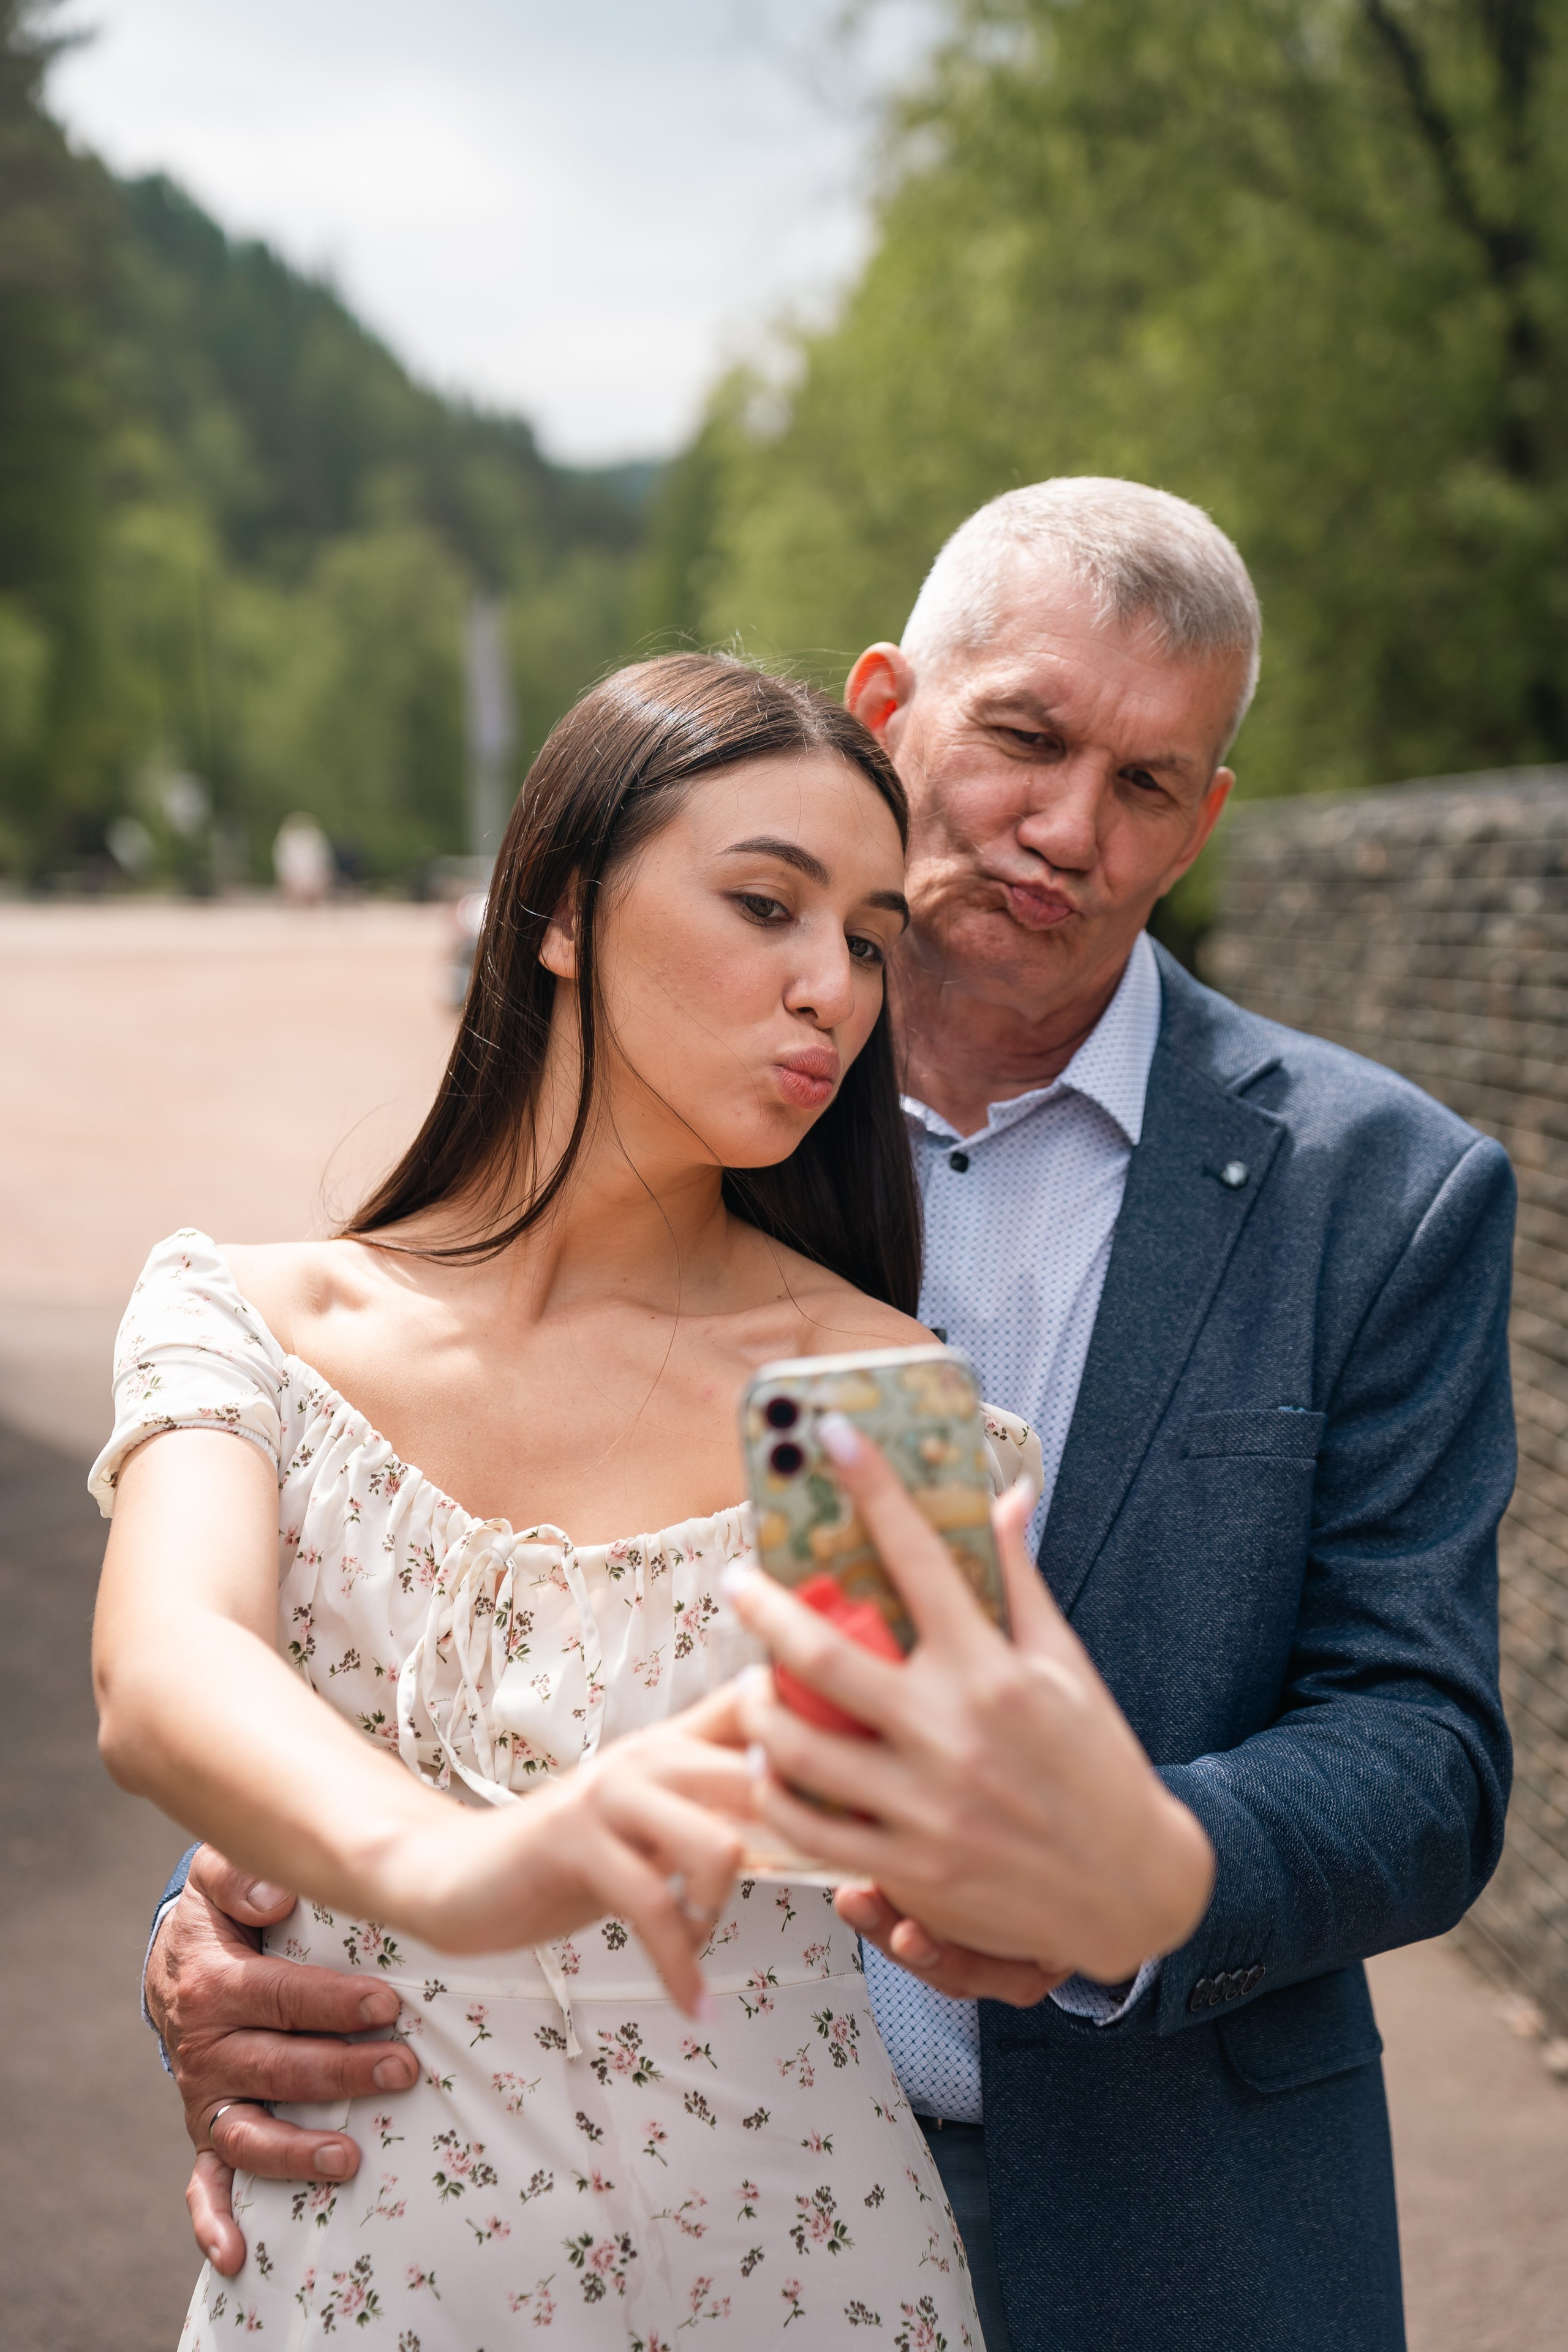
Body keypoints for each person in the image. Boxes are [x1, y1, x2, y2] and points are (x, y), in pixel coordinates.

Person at [138, 480, 1515, 2352]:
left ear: (1206, 819)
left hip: (1155, 2220)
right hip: (494, 2192)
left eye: (1148, 784)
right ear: (889, 706)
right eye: (1023, 737)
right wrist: (242, 1910)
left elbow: (1423, 1747)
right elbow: (391, 1582)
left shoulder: (1380, 1192)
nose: (1064, 829)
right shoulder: (678, 1120)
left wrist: (1126, 1874)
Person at [94, 654, 1058, 2348]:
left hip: (801, 2279)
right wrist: (453, 1870)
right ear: (557, 908)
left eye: (866, 941)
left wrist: (1023, 1881)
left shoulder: (862, 1391)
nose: (828, 986)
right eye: (766, 904)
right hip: (356, 2280)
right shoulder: (252, 1320)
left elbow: (946, 1852)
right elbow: (168, 1669)